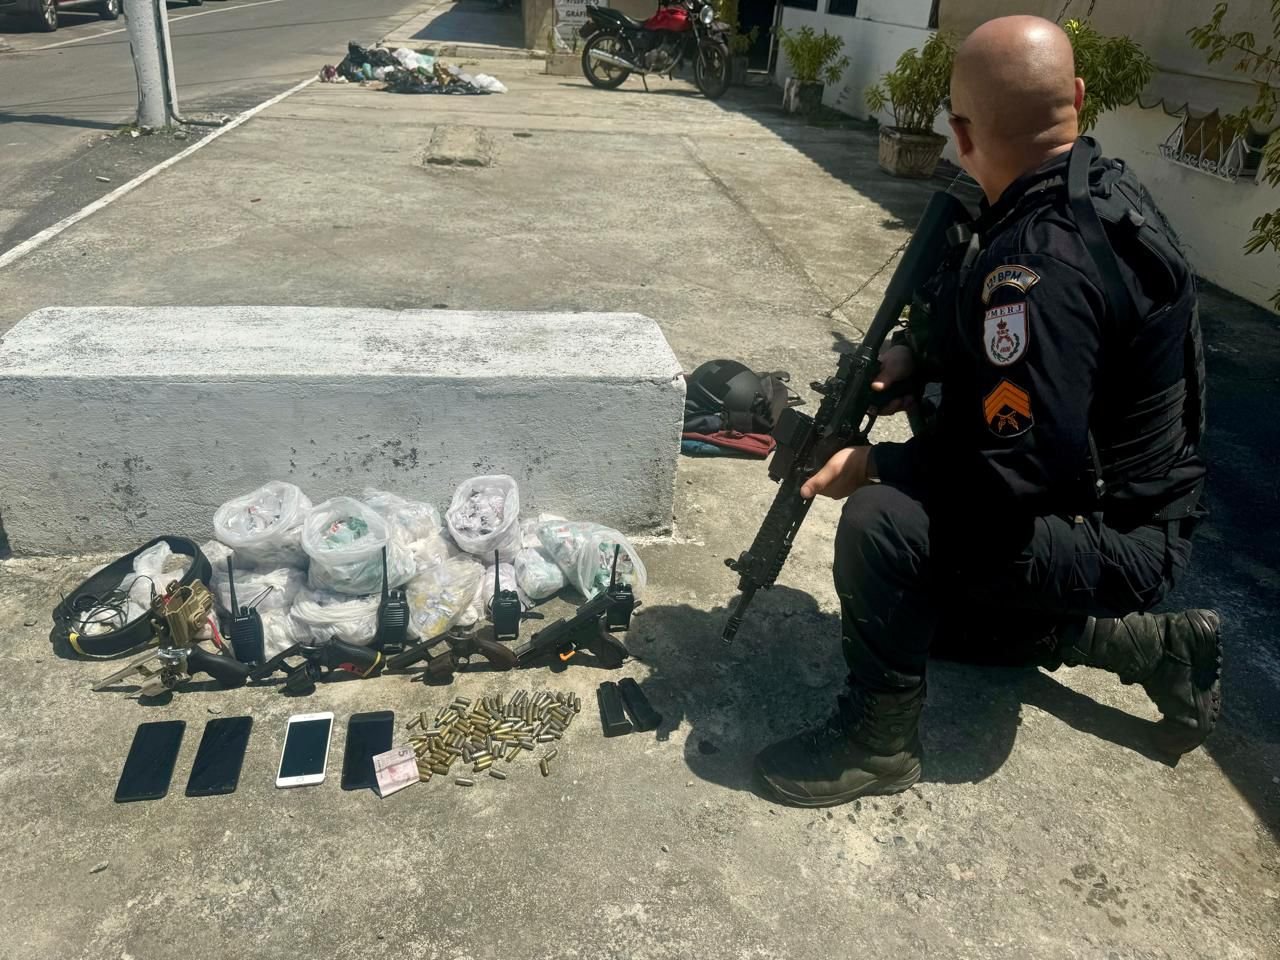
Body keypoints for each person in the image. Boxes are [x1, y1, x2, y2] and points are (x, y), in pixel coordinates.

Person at [754, 15, 1221, 808]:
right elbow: (1030, 372)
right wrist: (920, 361)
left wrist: (874, 464)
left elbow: (1012, 478)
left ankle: (877, 742)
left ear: (961, 133)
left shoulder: (1035, 265)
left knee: (884, 525)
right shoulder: (1091, 187)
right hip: (1129, 508)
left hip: (1115, 533)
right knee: (934, 616)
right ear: (1076, 100)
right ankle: (1156, 647)